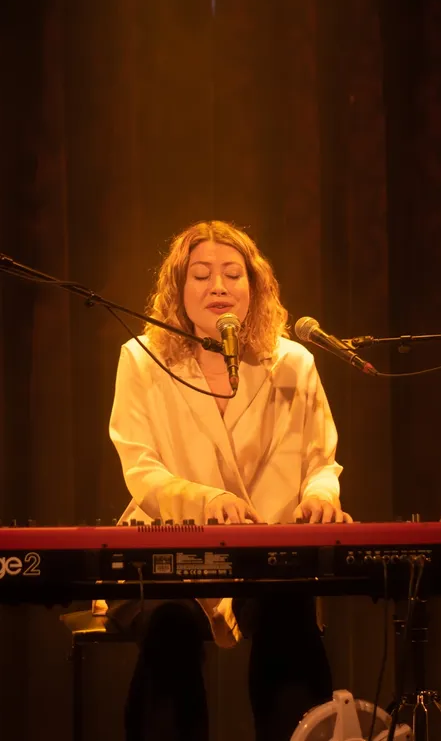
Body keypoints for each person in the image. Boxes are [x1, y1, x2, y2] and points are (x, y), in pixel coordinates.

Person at [104, 220, 353, 741]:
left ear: (253, 287)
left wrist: (320, 496)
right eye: (201, 275)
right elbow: (140, 467)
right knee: (169, 624)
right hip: (173, 545)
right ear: (178, 289)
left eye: (232, 274)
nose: (218, 286)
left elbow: (320, 461)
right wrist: (205, 500)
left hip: (267, 550)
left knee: (288, 618)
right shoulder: (142, 359)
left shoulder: (294, 362)